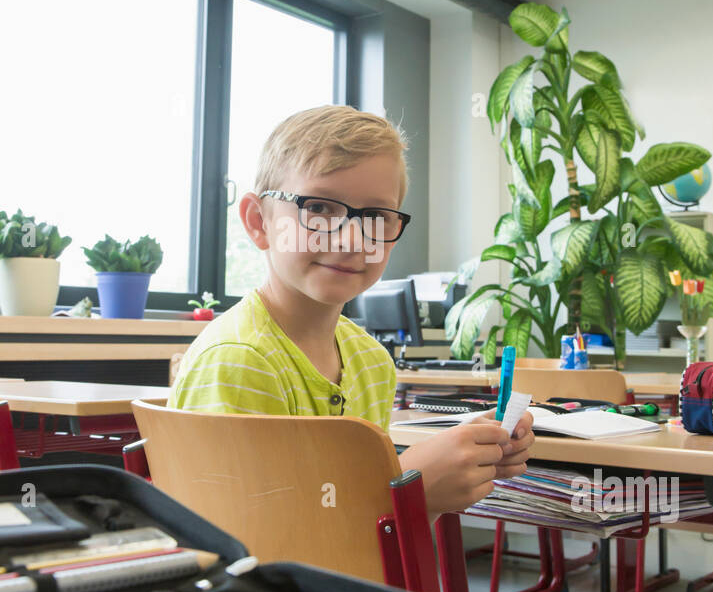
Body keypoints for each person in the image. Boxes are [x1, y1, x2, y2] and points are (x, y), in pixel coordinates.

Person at [170, 105, 534, 514]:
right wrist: (407, 488)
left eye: (377, 216)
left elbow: (365, 538)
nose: (351, 239)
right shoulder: (240, 361)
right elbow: (250, 544)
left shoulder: (370, 361)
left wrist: (458, 460)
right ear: (259, 221)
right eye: (320, 208)